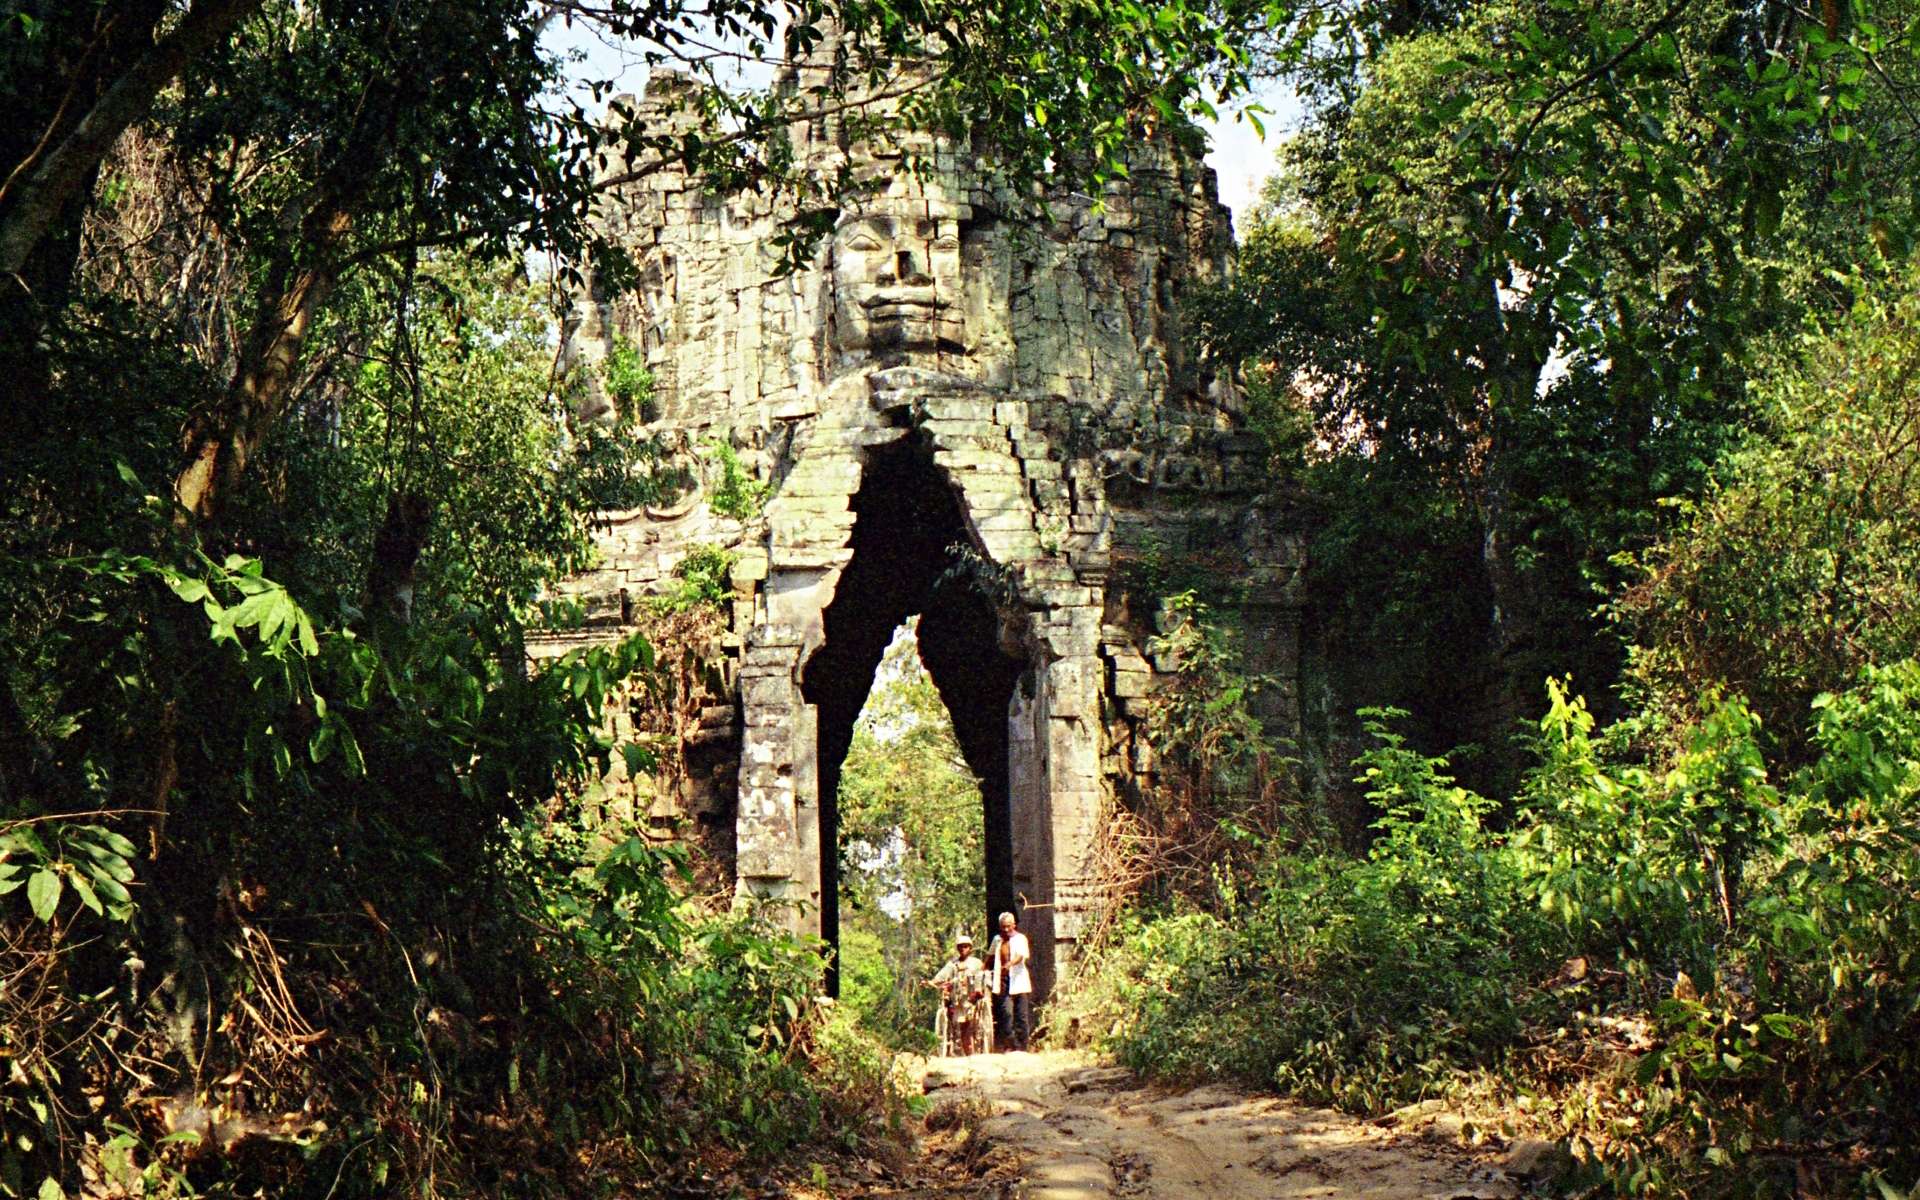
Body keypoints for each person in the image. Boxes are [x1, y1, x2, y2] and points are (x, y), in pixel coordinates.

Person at [927, 934, 987, 1055]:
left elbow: (983, 975)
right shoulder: (952, 964)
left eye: (965, 946)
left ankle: (971, 1047)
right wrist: (932, 982)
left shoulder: (976, 963)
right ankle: (959, 1046)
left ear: (970, 948)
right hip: (958, 997)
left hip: (972, 996)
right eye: (960, 947)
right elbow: (942, 975)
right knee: (957, 1017)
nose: (963, 949)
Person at [985, 910, 1032, 1051]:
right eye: (1003, 926)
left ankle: (1023, 1046)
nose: (1006, 929)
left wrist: (1010, 964)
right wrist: (982, 969)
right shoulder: (997, 940)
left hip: (1019, 981)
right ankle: (1011, 1044)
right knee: (1007, 1014)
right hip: (1004, 983)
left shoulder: (1020, 939)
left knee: (1022, 1016)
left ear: (1014, 925)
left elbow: (1021, 956)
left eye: (1008, 926)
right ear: (1000, 926)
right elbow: (990, 956)